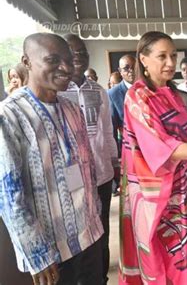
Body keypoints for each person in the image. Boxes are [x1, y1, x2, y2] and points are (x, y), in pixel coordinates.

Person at [0, 33, 104, 285]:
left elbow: (87, 168)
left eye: (68, 60)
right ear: (27, 62)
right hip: (52, 250)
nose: (66, 68)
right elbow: (9, 195)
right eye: (53, 60)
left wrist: (97, 218)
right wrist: (37, 254)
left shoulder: (70, 108)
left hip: (89, 235)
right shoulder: (10, 116)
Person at [119, 31, 187, 285]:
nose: (170, 63)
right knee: (168, 254)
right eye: (162, 56)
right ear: (143, 59)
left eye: (173, 56)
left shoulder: (175, 95)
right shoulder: (138, 96)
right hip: (158, 194)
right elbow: (163, 147)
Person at [59, 34, 119, 284]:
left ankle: (101, 277)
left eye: (83, 52)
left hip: (102, 175)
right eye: (73, 53)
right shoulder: (59, 93)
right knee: (77, 236)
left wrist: (114, 164)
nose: (79, 57)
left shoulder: (99, 91)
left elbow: (107, 131)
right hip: (73, 181)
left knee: (101, 233)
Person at [108, 54, 136, 195]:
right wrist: (116, 157)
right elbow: (112, 127)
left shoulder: (149, 87)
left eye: (133, 66)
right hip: (129, 150)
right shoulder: (113, 94)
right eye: (126, 68)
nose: (131, 70)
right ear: (120, 71)